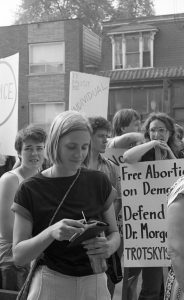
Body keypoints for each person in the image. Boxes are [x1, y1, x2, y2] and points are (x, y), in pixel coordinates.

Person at [12, 111, 120, 300]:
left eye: (85, 147)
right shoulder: (30, 189)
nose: (79, 154)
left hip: (94, 280)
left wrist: (109, 246)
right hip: (50, 281)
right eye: (71, 147)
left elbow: (115, 233)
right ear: (55, 143)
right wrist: (51, 232)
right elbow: (19, 256)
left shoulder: (99, 181)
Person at [123, 112, 179, 300]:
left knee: (166, 284)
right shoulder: (144, 151)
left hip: (173, 226)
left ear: (170, 132)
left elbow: (180, 176)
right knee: (143, 283)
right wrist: (152, 143)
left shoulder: (179, 154)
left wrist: (170, 154)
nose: (157, 134)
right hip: (147, 229)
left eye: (161, 130)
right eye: (153, 130)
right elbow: (127, 158)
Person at [0, 124, 47, 291]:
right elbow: (8, 231)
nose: (35, 153)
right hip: (13, 259)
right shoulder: (10, 180)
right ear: (19, 153)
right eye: (28, 148)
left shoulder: (44, 178)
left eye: (39, 148)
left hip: (38, 256)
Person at [87, 116, 122, 297]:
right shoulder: (74, 165)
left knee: (106, 289)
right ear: (88, 137)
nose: (106, 140)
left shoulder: (110, 167)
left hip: (106, 236)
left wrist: (108, 225)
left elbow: (118, 199)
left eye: (107, 135)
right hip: (81, 236)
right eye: (101, 135)